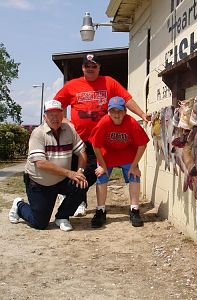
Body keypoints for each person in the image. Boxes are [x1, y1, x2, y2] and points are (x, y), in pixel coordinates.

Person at [54, 53, 149, 217]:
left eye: (94, 66)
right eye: (87, 66)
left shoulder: (108, 82)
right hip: (80, 139)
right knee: (80, 170)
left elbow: (126, 99)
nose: (90, 69)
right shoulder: (72, 85)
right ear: (82, 68)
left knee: (93, 173)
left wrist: (142, 114)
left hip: (103, 139)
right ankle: (79, 202)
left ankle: (86, 202)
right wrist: (63, 119)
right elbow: (57, 104)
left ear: (99, 67)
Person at [8, 100, 88, 232]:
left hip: (61, 180)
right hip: (40, 184)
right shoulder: (38, 133)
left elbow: (82, 152)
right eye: (50, 114)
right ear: (45, 117)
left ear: (62, 115)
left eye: (57, 113)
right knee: (39, 223)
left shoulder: (69, 129)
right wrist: (70, 173)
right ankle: (19, 205)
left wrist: (79, 171)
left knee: (81, 183)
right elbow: (40, 163)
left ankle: (62, 217)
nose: (55, 117)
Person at [90, 96, 149, 228]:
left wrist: (133, 167)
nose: (116, 114)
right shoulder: (104, 122)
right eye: (113, 111)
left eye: (120, 111)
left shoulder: (131, 122)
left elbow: (142, 145)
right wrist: (103, 166)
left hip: (126, 152)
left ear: (125, 112)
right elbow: (96, 145)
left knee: (134, 175)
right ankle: (100, 210)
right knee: (101, 175)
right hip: (108, 153)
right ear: (108, 112)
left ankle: (134, 209)